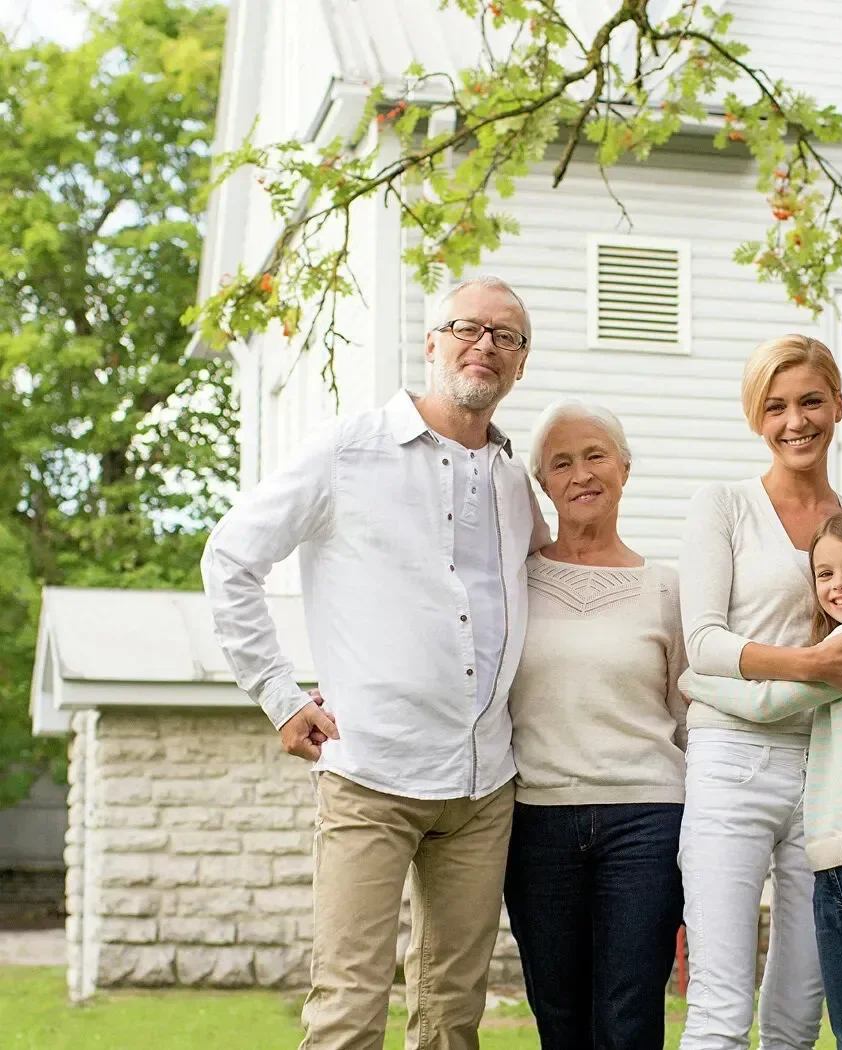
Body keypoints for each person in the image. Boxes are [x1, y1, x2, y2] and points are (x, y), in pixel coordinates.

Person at [202, 275, 548, 1050]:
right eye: (468, 328)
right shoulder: (347, 450)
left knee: (452, 1015)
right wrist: (279, 695)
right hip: (370, 774)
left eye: (508, 337)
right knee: (348, 1011)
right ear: (430, 343)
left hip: (483, 786)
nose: (485, 346)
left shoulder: (517, 485)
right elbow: (230, 557)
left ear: (521, 365)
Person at [677, 334, 842, 1050]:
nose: (795, 421)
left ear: (837, 406)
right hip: (731, 761)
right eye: (776, 407)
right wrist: (816, 667)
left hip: (829, 777)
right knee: (721, 1004)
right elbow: (702, 642)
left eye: (810, 402)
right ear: (755, 417)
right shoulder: (724, 505)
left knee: (798, 1011)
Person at [504, 399, 687, 1050]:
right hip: (538, 822)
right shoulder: (512, 582)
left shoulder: (666, 589)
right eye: (561, 462)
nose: (580, 473)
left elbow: (687, 719)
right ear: (543, 483)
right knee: (559, 1017)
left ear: (625, 469)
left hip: (646, 821)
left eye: (595, 455)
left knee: (629, 1016)